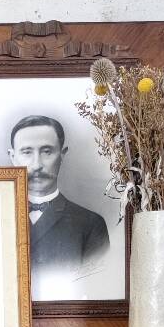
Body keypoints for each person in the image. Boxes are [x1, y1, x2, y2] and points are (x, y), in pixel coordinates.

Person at [9, 115, 110, 297]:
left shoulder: (91, 224)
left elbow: (97, 293)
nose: (37, 164)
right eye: (27, 152)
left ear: (62, 155)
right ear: (12, 157)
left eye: (47, 151)